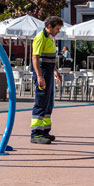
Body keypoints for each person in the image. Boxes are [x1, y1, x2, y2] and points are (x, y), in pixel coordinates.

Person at [30, 16, 64, 144]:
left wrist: (55, 71)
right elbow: (35, 58)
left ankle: (44, 131)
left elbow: (49, 58)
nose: (58, 31)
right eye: (57, 29)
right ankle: (36, 134)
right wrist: (39, 76)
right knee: (41, 101)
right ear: (49, 26)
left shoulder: (50, 38)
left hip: (49, 72)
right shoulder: (40, 37)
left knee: (48, 102)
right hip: (42, 72)